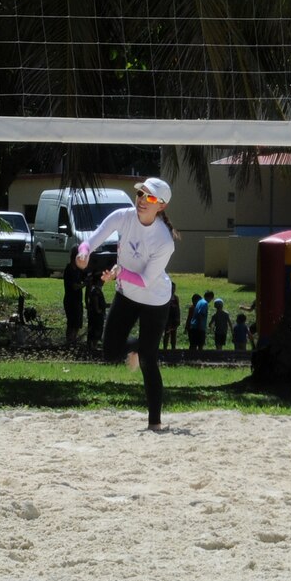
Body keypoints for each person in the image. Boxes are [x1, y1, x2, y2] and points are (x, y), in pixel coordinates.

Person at [78, 178, 176, 429]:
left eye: (151, 198)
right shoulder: (123, 216)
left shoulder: (164, 241)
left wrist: (118, 273)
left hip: (154, 299)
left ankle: (154, 423)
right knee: (110, 352)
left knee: (148, 360)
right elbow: (92, 239)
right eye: (141, 194)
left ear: (161, 206)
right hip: (126, 294)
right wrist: (84, 252)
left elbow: (145, 280)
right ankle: (137, 348)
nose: (143, 200)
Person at [63, 255, 86, 350]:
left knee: (77, 323)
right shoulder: (69, 270)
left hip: (77, 300)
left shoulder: (77, 270)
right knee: (72, 323)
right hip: (70, 300)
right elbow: (74, 286)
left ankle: (73, 340)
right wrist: (84, 284)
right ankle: (69, 341)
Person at [83, 269, 107, 350]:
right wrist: (97, 309)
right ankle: (93, 345)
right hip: (96, 314)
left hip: (98, 313)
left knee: (97, 328)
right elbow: (95, 299)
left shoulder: (97, 289)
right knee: (96, 329)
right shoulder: (95, 290)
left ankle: (94, 345)